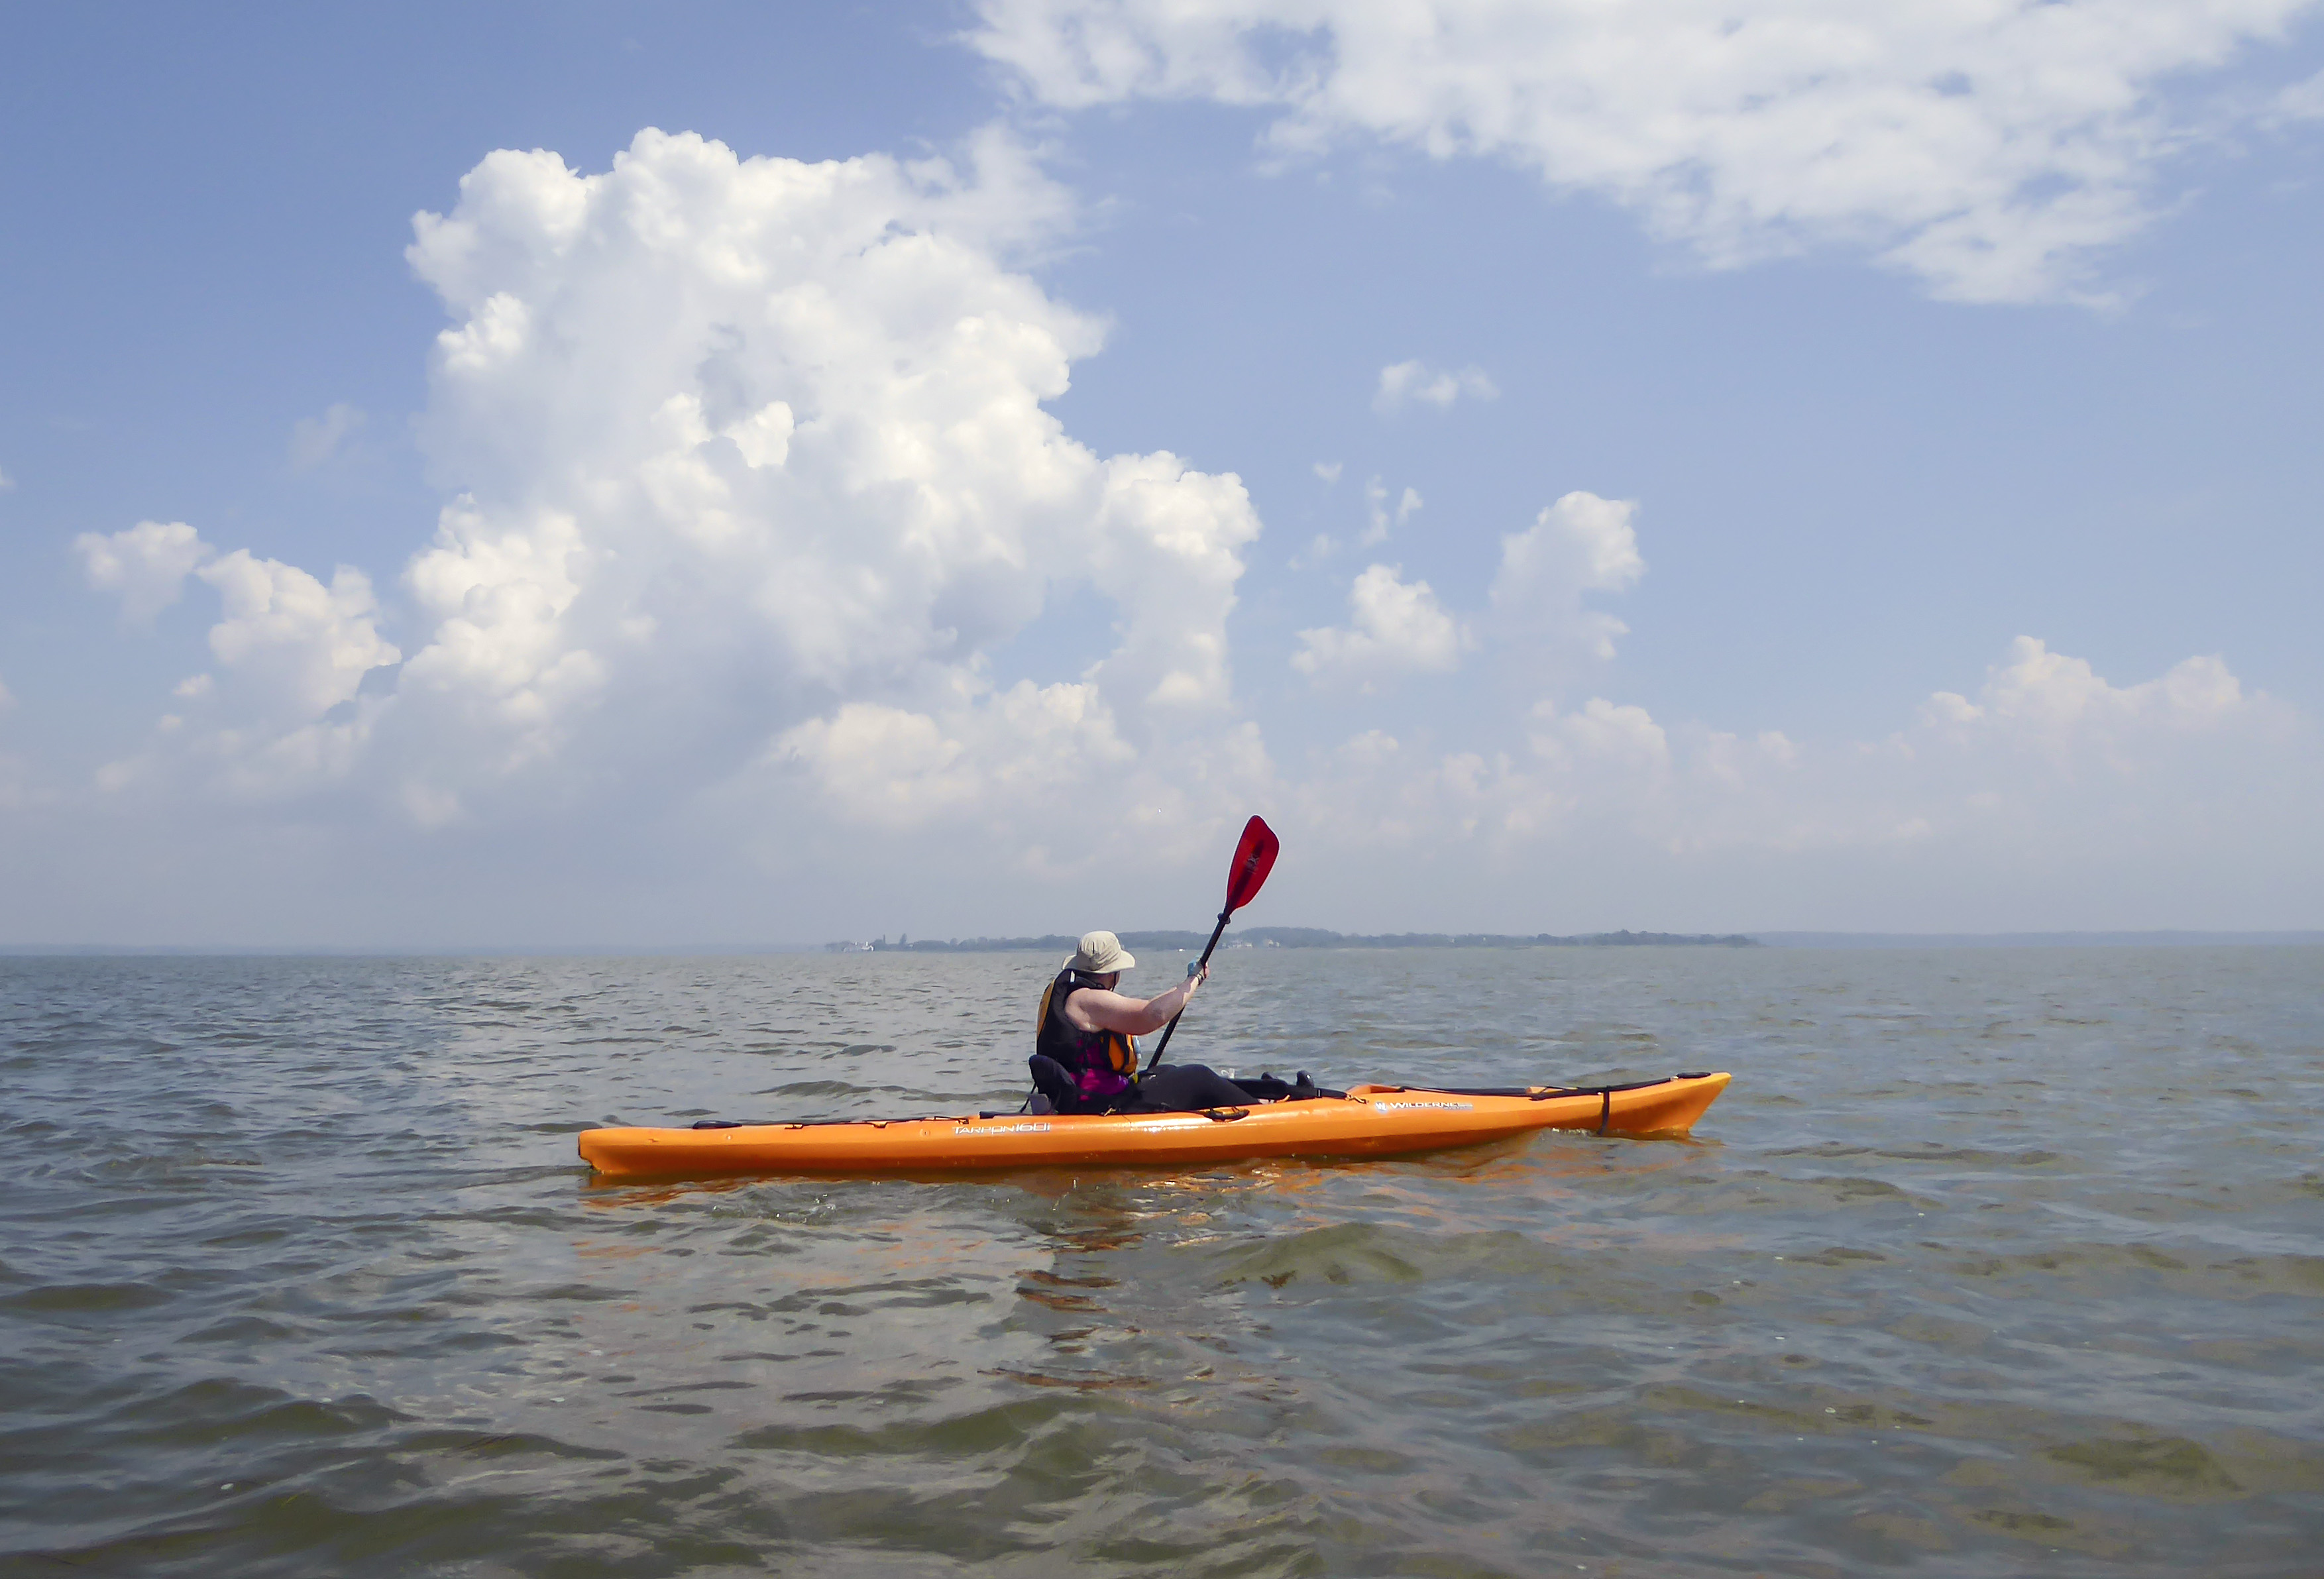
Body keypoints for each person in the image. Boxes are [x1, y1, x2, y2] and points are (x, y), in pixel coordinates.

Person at [1029, 931, 1257, 1115]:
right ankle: (1260, 1113)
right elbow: (1153, 1015)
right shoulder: (1088, 999)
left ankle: (1257, 1095)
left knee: (1165, 1071)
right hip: (1102, 1104)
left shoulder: (1071, 994)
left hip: (1088, 1097)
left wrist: (1184, 986)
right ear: (1113, 973)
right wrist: (1194, 980)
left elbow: (1153, 1008)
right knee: (1199, 1076)